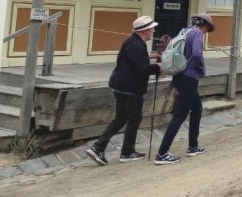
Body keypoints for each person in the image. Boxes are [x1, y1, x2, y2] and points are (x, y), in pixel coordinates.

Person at [86, 15, 162, 165]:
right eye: (152, 28)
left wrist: (153, 56)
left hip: (122, 85)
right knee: (132, 119)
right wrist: (159, 68)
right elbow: (141, 69)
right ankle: (110, 149)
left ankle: (116, 150)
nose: (153, 30)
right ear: (145, 30)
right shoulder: (137, 45)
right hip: (130, 88)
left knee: (122, 118)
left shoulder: (133, 42)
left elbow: (133, 60)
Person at [155, 13, 214, 165]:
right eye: (207, 28)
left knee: (197, 108)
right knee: (180, 115)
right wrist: (202, 70)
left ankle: (193, 145)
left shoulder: (184, 31)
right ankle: (162, 153)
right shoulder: (198, 34)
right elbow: (196, 54)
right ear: (205, 25)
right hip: (190, 77)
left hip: (179, 75)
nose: (206, 31)